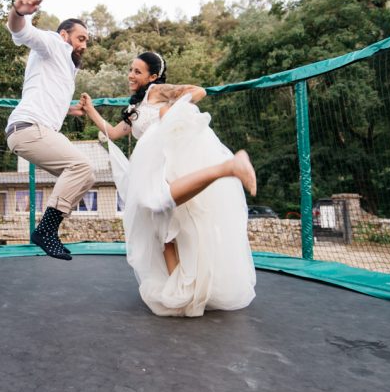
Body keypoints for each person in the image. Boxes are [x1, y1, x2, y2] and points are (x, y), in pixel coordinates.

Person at [80, 51, 257, 316]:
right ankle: (180, 290)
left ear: (152, 76)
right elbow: (114, 133)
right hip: (147, 164)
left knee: (159, 203)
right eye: (131, 70)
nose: (131, 75)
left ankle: (228, 167)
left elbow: (197, 92)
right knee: (162, 229)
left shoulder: (158, 90)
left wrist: (171, 114)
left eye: (137, 71)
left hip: (166, 159)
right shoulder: (136, 108)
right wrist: (90, 109)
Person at [5, 0, 94, 261]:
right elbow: (22, 33)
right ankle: (46, 230)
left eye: (87, 42)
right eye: (81, 39)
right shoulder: (54, 44)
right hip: (28, 128)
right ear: (65, 35)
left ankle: (48, 230)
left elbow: (45, 93)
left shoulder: (66, 67)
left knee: (86, 175)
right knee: (81, 166)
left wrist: (70, 109)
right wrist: (18, 13)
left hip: (35, 130)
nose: (85, 46)